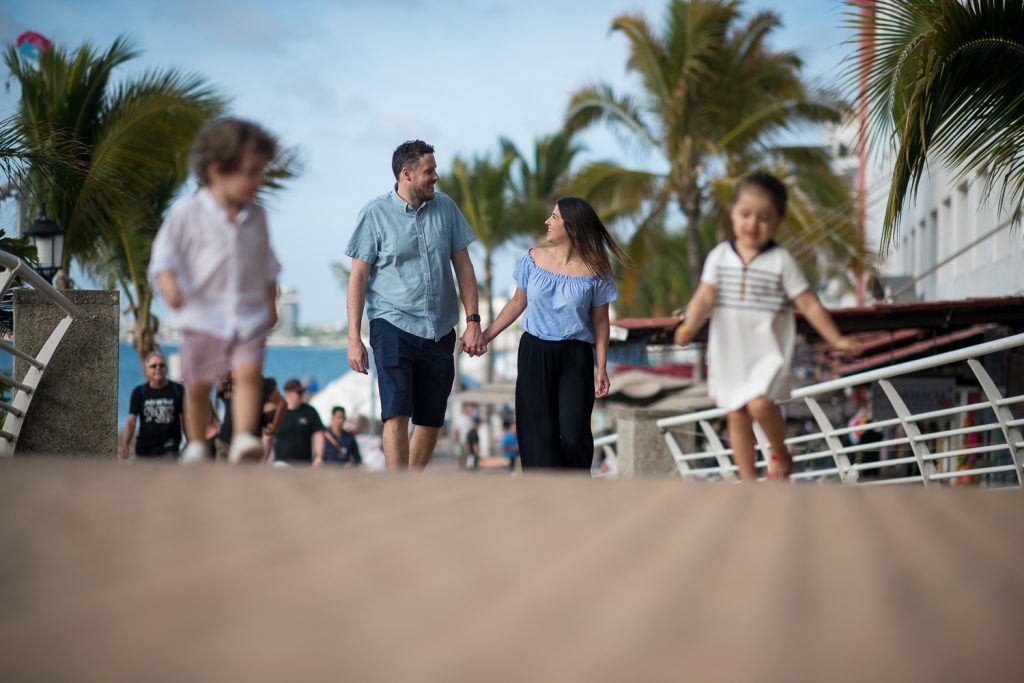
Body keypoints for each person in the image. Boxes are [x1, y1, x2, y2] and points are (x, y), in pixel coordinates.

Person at [674, 172, 863, 480]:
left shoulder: (781, 261)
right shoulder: (720, 256)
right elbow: (704, 297)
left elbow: (809, 303)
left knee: (760, 404)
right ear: (733, 212)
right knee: (736, 414)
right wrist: (688, 327)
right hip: (731, 351)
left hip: (767, 352)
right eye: (745, 215)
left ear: (777, 221)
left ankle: (779, 451)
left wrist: (837, 339)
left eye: (763, 218)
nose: (752, 224)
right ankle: (748, 481)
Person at [346, 139, 485, 470]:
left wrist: (474, 321)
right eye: (430, 171)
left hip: (439, 329)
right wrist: (354, 338)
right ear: (406, 174)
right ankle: (399, 488)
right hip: (392, 324)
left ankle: (411, 481)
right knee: (396, 411)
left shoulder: (447, 208)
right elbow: (358, 278)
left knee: (431, 419)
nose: (436, 176)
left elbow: (464, 267)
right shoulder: (374, 214)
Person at [149, 117, 281, 464]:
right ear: (218, 170)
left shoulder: (258, 217)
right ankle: (195, 443)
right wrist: (169, 285)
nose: (259, 180)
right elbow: (164, 256)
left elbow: (267, 263)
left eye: (261, 171)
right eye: (251, 172)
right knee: (198, 383)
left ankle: (241, 439)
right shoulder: (188, 212)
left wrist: (272, 302)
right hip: (202, 313)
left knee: (249, 374)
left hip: (249, 313)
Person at [482, 197, 626, 470]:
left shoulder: (598, 271)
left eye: (555, 217)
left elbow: (601, 322)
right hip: (535, 351)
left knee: (573, 434)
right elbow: (516, 303)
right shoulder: (533, 259)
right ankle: (544, 497)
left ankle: (574, 489)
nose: (548, 222)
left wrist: (602, 366)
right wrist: (486, 336)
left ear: (571, 226)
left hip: (576, 355)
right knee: (538, 434)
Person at [119, 352, 187, 459]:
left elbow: (186, 419)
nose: (158, 368)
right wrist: (125, 445)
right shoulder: (139, 392)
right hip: (144, 449)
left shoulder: (178, 390)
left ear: (166, 368)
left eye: (161, 365)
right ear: (146, 370)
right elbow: (131, 421)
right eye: (153, 366)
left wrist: (191, 443)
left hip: (170, 448)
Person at [214, 374, 286, 461]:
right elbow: (220, 393)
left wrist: (273, 430)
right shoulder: (229, 382)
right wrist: (223, 381)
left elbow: (281, 403)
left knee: (244, 473)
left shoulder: (261, 383)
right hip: (225, 441)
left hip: (249, 443)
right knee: (221, 473)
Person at [274, 378, 325, 465]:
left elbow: (318, 435)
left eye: (302, 392)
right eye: (299, 393)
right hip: (281, 463)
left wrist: (319, 458)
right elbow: (267, 438)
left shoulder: (310, 411)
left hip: (304, 464)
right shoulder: (277, 412)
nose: (302, 395)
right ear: (288, 394)